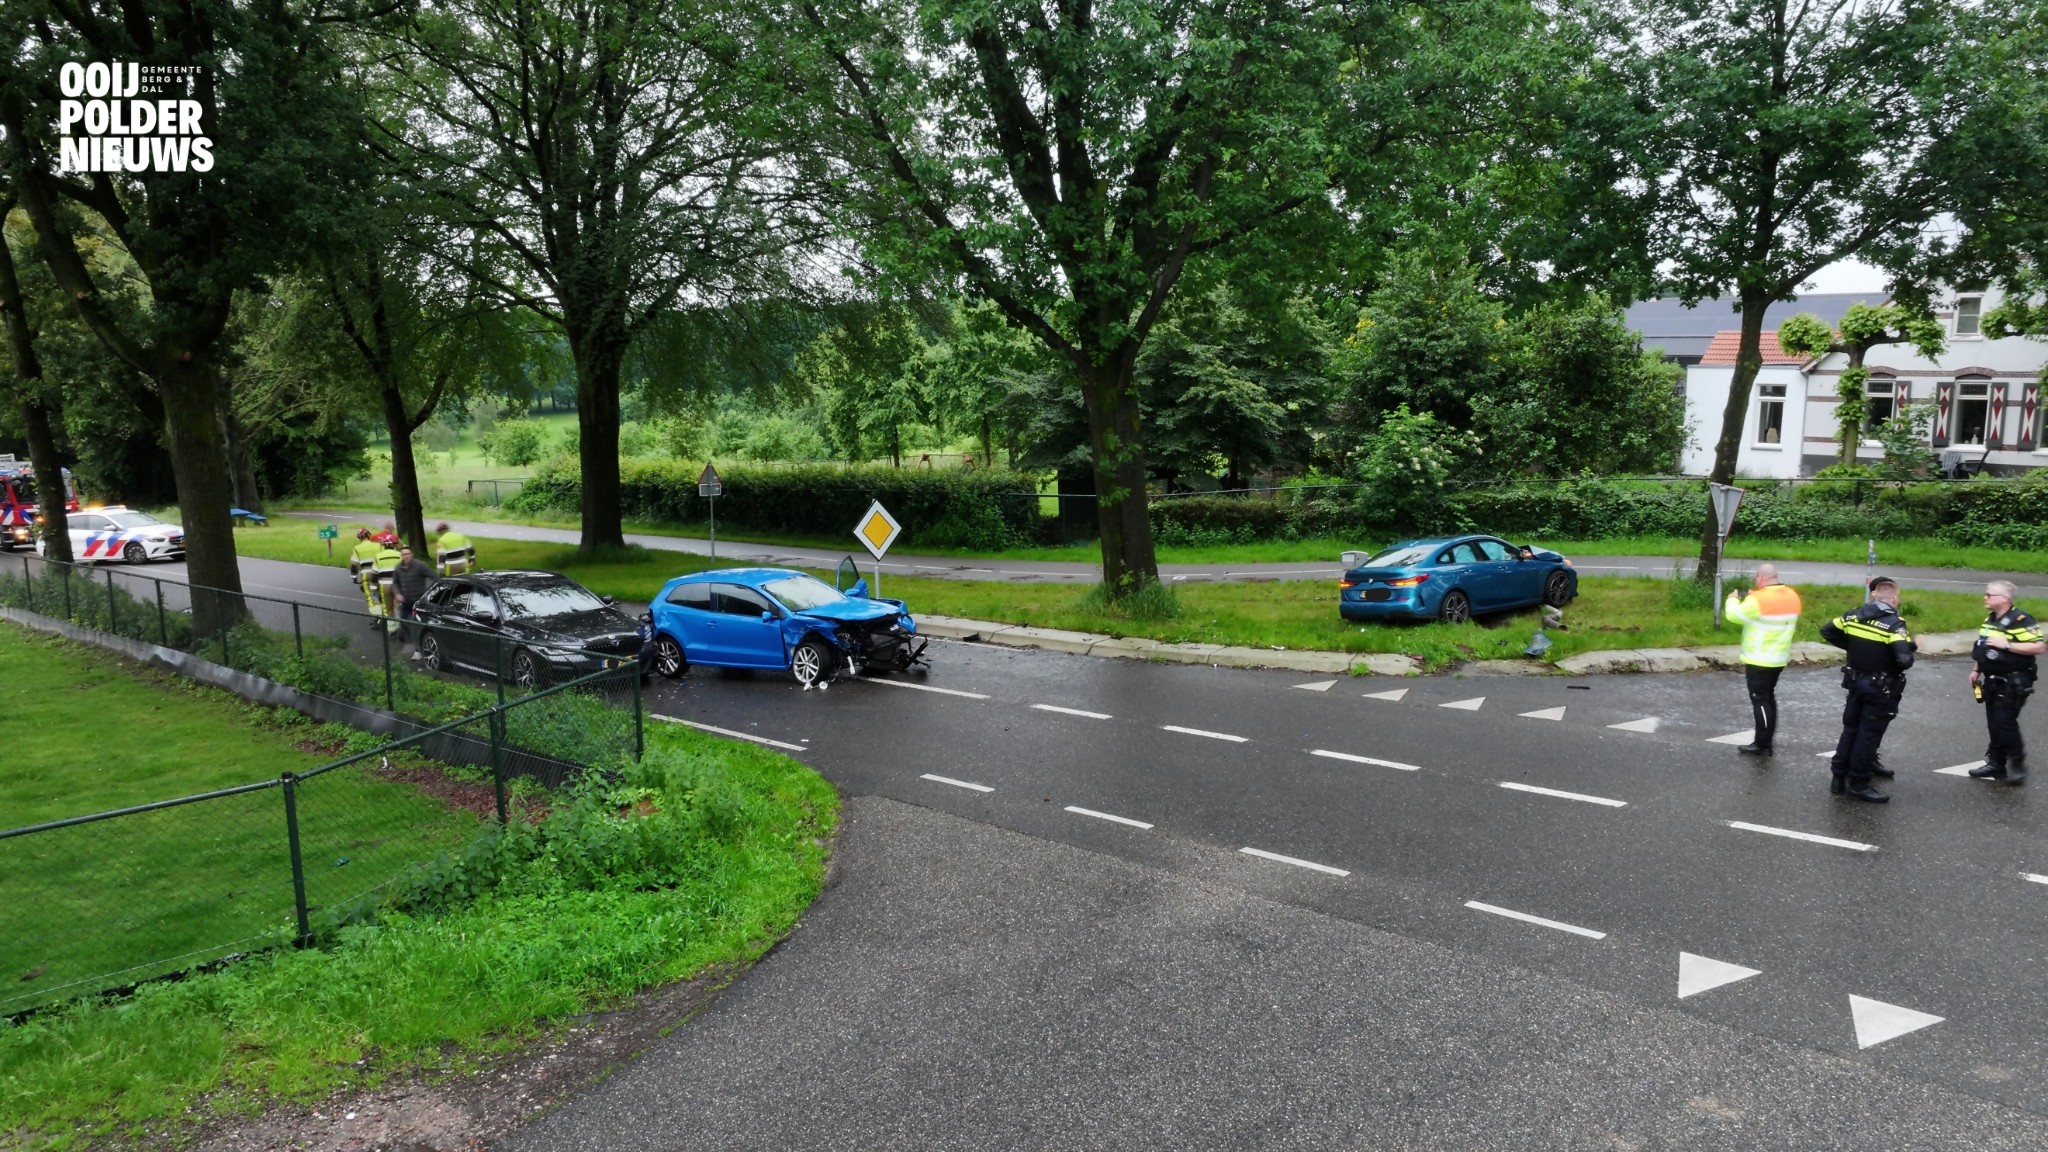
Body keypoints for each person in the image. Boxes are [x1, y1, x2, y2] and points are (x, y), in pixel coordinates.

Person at [1820, 576, 1917, 802]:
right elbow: (1904, 660)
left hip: (1855, 682)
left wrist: (1853, 646)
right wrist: (1910, 648)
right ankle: (1859, 783)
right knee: (1868, 735)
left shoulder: (1852, 616)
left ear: (1875, 595)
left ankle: (1838, 777)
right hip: (1880, 687)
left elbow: (1827, 631)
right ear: (1894, 599)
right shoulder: (1894, 624)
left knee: (1850, 729)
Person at [1967, 580, 2043, 785]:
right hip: (1992, 680)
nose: (1985, 597)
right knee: (1994, 723)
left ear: (2004, 599)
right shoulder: (1990, 619)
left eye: (1989, 595)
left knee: (2005, 722)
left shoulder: (2021, 619)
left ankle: (2017, 764)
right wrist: (1976, 669)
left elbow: (2039, 647)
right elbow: (1983, 647)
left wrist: (2007, 644)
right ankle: (1996, 763)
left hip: (2013, 681)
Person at [1724, 563, 1800, 757]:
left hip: (1759, 658)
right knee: (1768, 697)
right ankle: (1766, 739)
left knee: (1760, 700)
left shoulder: (1758, 599)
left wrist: (1732, 600)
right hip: (1779, 657)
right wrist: (1753, 597)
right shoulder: (1792, 595)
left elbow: (1733, 615)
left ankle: (1762, 744)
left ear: (1760, 578)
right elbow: (1768, 611)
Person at [389, 545, 436, 649]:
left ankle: (420, 645)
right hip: (406, 602)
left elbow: (434, 576)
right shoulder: (398, 568)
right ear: (401, 556)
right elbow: (395, 583)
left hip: (418, 603)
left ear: (412, 555)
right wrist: (397, 593)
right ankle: (409, 638)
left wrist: (430, 592)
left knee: (419, 625)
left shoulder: (420, 566)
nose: (406, 556)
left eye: (408, 554)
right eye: (404, 554)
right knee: (402, 620)